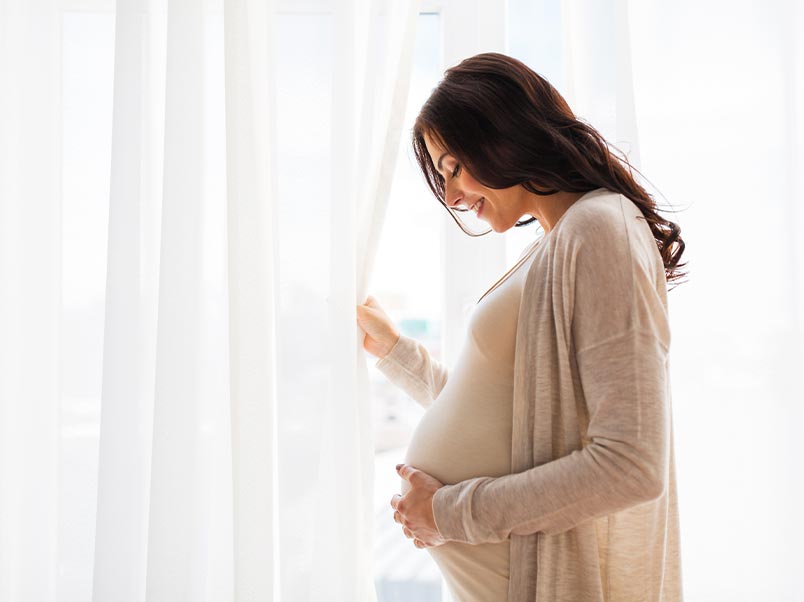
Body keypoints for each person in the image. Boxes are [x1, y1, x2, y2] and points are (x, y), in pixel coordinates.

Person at [356, 52, 686, 602]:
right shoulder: (559, 243)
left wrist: (447, 514)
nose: (453, 198)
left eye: (453, 167)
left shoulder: (600, 230)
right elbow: (512, 419)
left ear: (502, 133)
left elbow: (631, 465)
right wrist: (394, 352)